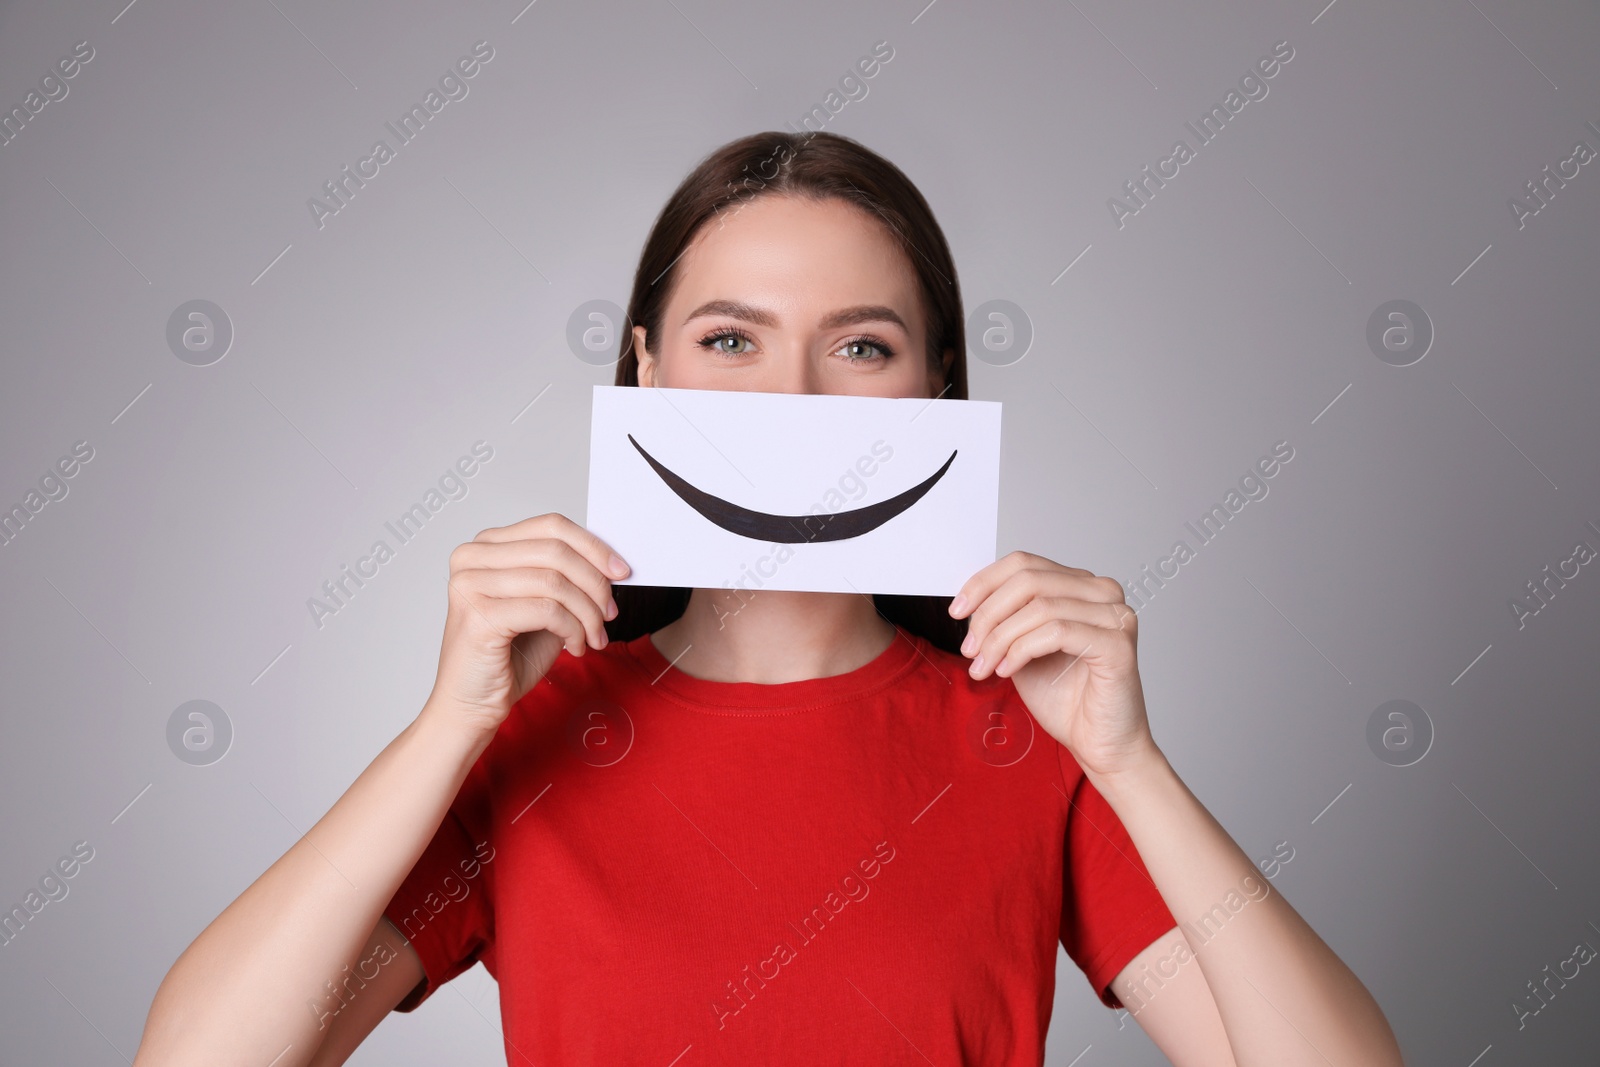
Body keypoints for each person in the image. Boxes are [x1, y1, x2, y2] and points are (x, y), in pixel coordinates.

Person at [132, 131, 1404, 1066]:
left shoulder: (1031, 742)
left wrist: (1132, 763)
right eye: (730, 339)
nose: (791, 399)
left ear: (933, 387)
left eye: (860, 345)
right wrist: (443, 729)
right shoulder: (535, 739)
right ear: (644, 369)